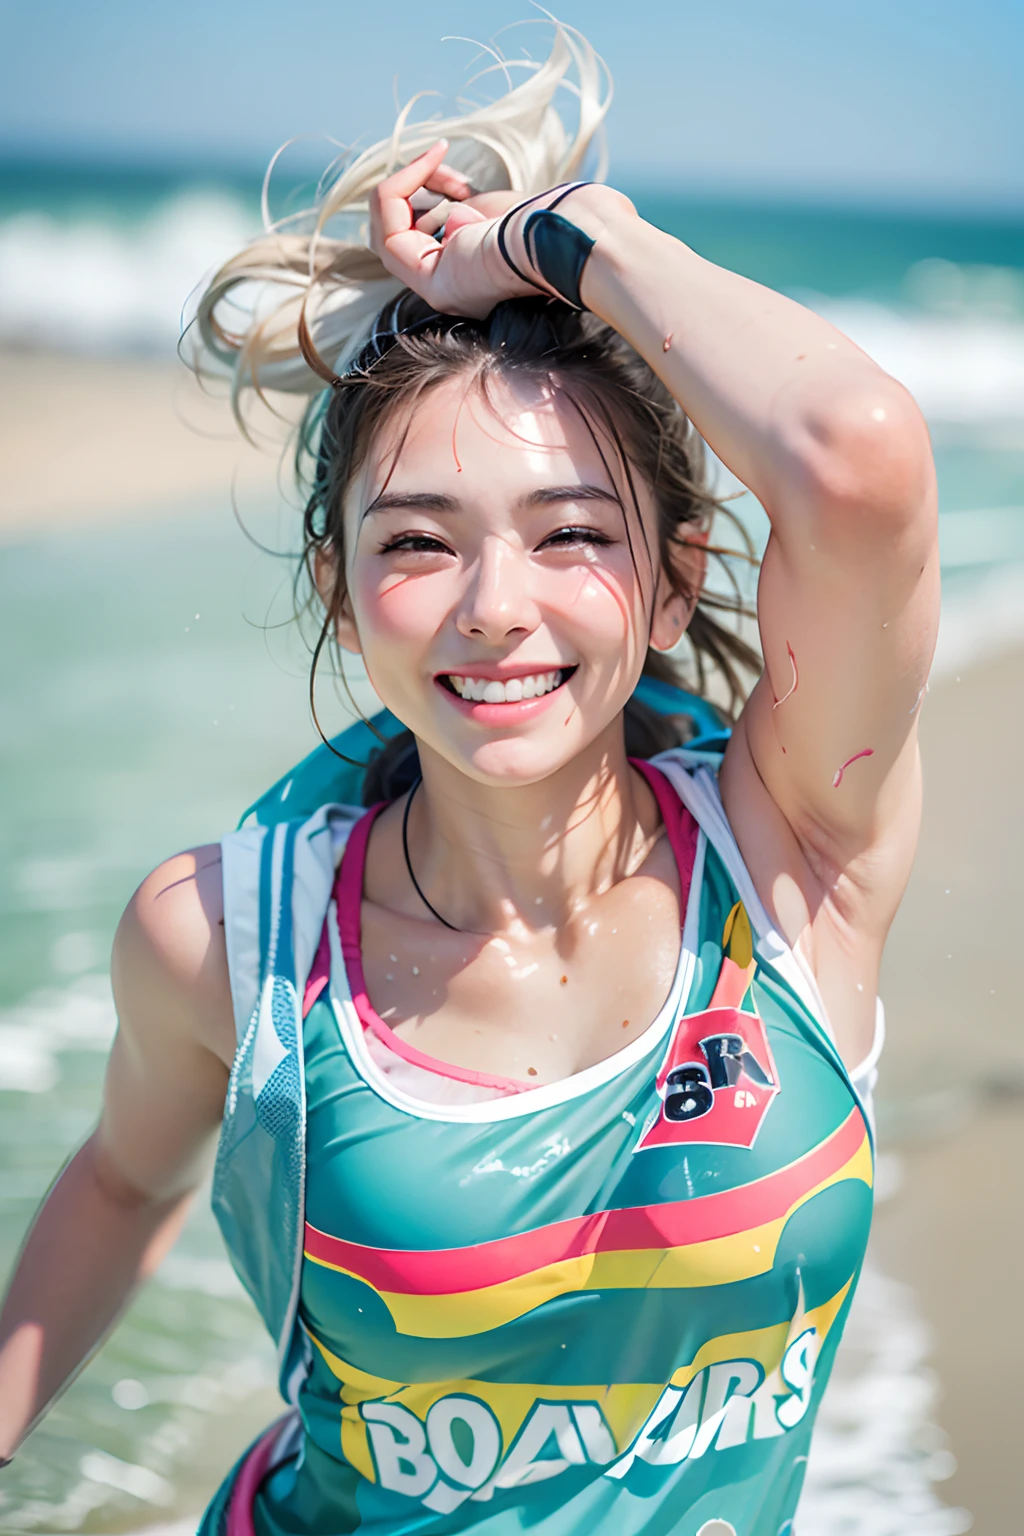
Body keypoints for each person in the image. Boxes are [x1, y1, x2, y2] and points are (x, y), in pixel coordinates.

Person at [0, 23, 938, 1536]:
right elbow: (121, 1183)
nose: (496, 605)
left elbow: (858, 459)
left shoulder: (794, 858)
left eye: (572, 533)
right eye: (420, 541)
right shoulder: (230, 940)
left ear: (677, 572)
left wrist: (563, 241)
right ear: (338, 584)